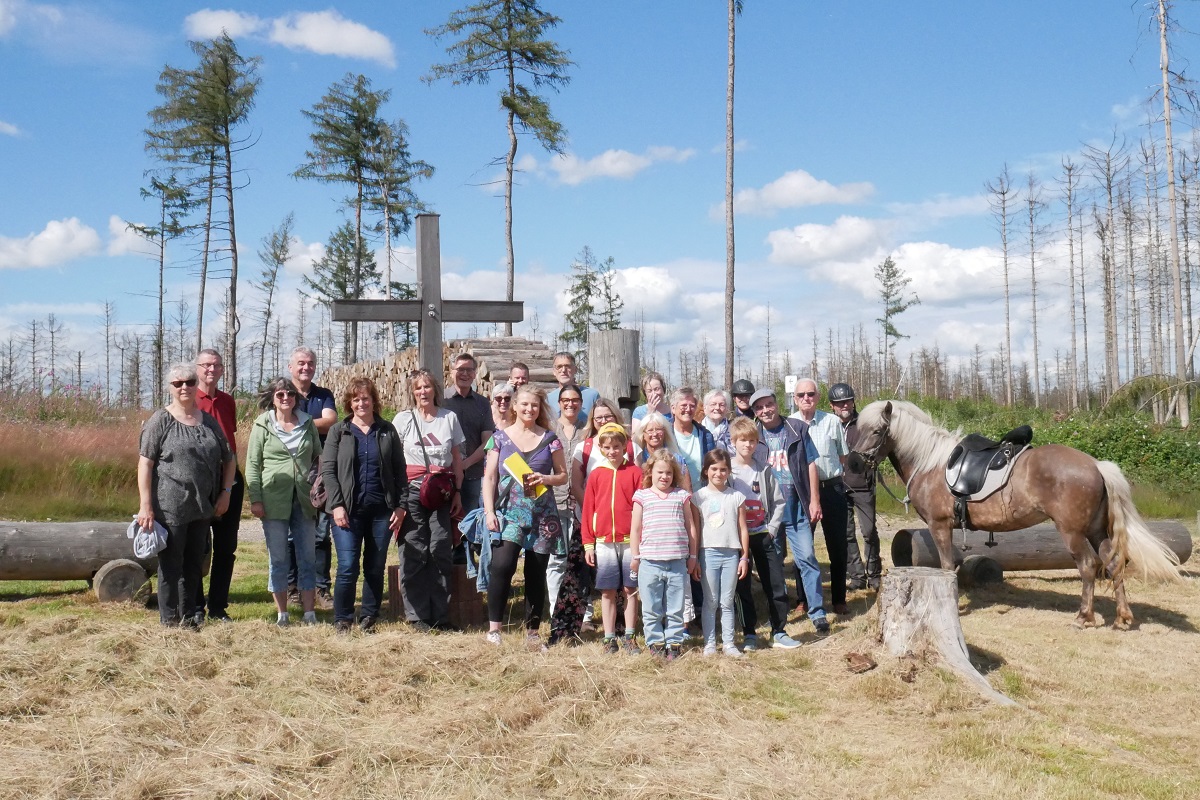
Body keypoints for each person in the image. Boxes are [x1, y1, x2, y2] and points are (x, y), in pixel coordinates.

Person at [137, 363, 236, 628]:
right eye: (178, 383)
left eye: (189, 382)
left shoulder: (208, 420)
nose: (184, 387)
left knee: (194, 565)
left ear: (196, 385)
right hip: (170, 508)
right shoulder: (161, 420)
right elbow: (145, 464)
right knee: (171, 566)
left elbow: (230, 458)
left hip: (202, 507)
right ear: (169, 388)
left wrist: (226, 492)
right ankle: (169, 620)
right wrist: (146, 506)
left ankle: (189, 616)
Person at [482, 384, 568, 646]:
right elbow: (489, 476)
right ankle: (494, 629)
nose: (529, 409)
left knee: (536, 571)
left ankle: (532, 631)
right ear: (515, 406)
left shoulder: (551, 439)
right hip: (510, 512)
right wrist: (489, 511)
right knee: (502, 565)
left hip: (543, 514)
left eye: (534, 405)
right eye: (525, 404)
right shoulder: (499, 438)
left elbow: (563, 475)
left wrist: (545, 478)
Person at [322, 377, 408, 634]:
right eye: (356, 399)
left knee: (375, 566)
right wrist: (336, 505)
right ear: (350, 403)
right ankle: (343, 619)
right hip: (347, 511)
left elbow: (399, 471)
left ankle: (369, 617)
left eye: (366, 398)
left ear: (374, 401)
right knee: (348, 566)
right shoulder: (340, 431)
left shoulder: (387, 430)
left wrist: (400, 506)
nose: (361, 403)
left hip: (382, 510)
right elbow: (328, 471)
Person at [750, 388, 829, 635]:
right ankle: (779, 615)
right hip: (768, 515)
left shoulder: (796, 428)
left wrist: (815, 500)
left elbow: (811, 464)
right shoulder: (754, 435)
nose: (765, 410)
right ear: (755, 412)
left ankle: (817, 612)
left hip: (797, 510)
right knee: (775, 567)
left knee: (807, 559)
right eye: (759, 407)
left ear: (776, 404)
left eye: (768, 405)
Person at [245, 377, 321, 627]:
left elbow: (319, 459)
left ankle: (310, 613)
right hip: (273, 499)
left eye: (290, 393)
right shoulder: (262, 425)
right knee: (278, 558)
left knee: (307, 556)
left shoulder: (307, 422)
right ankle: (282, 615)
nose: (286, 398)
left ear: (296, 398)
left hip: (304, 499)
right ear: (273, 398)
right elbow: (253, 465)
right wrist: (255, 499)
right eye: (280, 395)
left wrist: (319, 488)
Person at [395, 369, 465, 631]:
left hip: (441, 494)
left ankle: (440, 614)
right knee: (414, 550)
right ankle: (417, 616)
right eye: (417, 388)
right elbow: (395, 461)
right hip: (412, 492)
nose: (423, 392)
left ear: (435, 389)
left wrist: (457, 491)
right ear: (412, 392)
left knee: (440, 550)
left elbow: (457, 459)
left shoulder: (449, 418)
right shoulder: (403, 420)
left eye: (426, 387)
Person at [728, 416, 800, 649]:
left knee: (776, 584)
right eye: (742, 440)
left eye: (752, 441)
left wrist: (772, 529)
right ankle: (749, 633)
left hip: (763, 534)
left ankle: (779, 631)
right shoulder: (727, 471)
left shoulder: (765, 470)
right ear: (733, 442)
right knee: (743, 587)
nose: (748, 445)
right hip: (739, 539)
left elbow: (779, 501)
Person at [630, 449, 699, 661]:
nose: (664, 477)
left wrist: (693, 556)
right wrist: (635, 556)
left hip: (677, 561)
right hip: (650, 562)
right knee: (651, 607)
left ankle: (674, 642)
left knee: (675, 607)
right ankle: (655, 642)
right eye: (660, 472)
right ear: (650, 472)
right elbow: (635, 529)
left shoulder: (681, 495)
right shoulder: (642, 496)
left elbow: (691, 526)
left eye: (669, 473)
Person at [788, 378, 850, 615]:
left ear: (818, 396)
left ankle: (839, 599)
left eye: (811, 394)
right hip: (802, 492)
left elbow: (842, 457)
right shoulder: (789, 424)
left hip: (832, 489)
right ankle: (803, 600)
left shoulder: (832, 421)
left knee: (838, 547)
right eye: (801, 394)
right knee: (803, 548)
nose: (806, 398)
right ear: (795, 398)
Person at [581, 422, 642, 655]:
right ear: (601, 448)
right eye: (607, 447)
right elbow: (588, 509)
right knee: (607, 590)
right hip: (604, 541)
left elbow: (641, 508)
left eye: (617, 446)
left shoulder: (635, 472)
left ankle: (629, 636)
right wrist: (588, 543)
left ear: (625, 446)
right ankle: (608, 638)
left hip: (630, 542)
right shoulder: (596, 474)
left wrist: (641, 540)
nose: (613, 451)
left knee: (630, 589)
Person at [193, 348, 241, 623]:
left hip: (229, 478)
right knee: (198, 546)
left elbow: (230, 443)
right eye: (206, 365)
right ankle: (197, 607)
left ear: (222, 370)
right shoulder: (189, 400)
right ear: (197, 368)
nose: (211, 370)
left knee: (226, 548)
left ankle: (219, 607)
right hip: (200, 481)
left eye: (216, 366)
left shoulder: (227, 401)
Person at [288, 347, 338, 609]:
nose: (305, 367)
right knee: (289, 534)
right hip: (289, 472)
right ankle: (292, 588)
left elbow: (330, 422)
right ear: (290, 367)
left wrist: (295, 422)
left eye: (310, 363)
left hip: (318, 472)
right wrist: (311, 422)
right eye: (300, 363)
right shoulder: (283, 392)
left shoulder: (324, 395)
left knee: (320, 534)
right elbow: (275, 422)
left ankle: (321, 588)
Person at [692, 449, 750, 657]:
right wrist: (695, 557)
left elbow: (743, 528)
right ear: (706, 471)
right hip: (708, 554)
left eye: (723, 469)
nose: (719, 473)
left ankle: (728, 643)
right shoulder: (698, 497)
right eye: (714, 469)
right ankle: (709, 643)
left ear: (729, 471)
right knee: (711, 601)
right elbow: (696, 530)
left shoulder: (736, 497)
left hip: (731, 555)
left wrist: (744, 556)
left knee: (727, 600)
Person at [547, 384, 590, 644]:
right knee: (556, 560)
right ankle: (556, 611)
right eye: (565, 400)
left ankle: (583, 614)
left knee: (582, 560)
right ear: (559, 402)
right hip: (554, 502)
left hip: (582, 504)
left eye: (575, 400)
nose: (570, 404)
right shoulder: (551, 431)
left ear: (581, 402)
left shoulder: (587, 431)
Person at [831, 382, 881, 591]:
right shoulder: (828, 424)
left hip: (862, 487)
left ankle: (874, 575)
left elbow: (877, 449)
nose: (844, 405)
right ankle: (857, 577)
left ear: (853, 402)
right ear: (832, 405)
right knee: (847, 534)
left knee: (869, 532)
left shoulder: (864, 424)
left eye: (848, 401)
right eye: (839, 402)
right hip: (838, 488)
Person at [442, 353, 494, 514]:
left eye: (469, 370)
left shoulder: (483, 403)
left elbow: (488, 441)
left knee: (468, 523)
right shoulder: (441, 400)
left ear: (474, 374)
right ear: (451, 372)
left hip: (472, 473)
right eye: (460, 369)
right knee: (444, 521)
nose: (464, 374)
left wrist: (466, 464)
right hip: (445, 472)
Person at [670, 388, 716, 490]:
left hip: (700, 497)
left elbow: (713, 466)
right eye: (684, 405)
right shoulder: (665, 434)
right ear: (673, 408)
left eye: (692, 406)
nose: (688, 409)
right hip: (672, 497)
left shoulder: (706, 436)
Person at [632, 411, 689, 484]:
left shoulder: (675, 458)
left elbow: (686, 488)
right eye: (650, 430)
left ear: (665, 432)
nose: (655, 434)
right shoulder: (638, 457)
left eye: (658, 429)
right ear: (643, 434)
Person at [546, 351, 600, 424]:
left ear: (575, 369)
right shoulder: (549, 399)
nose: (563, 370)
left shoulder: (592, 396)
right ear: (554, 372)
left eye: (567, 366)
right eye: (559, 367)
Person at [700, 389, 732, 453]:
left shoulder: (734, 430)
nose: (717, 408)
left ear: (727, 408)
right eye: (713, 404)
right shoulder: (698, 431)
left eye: (721, 405)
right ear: (705, 408)